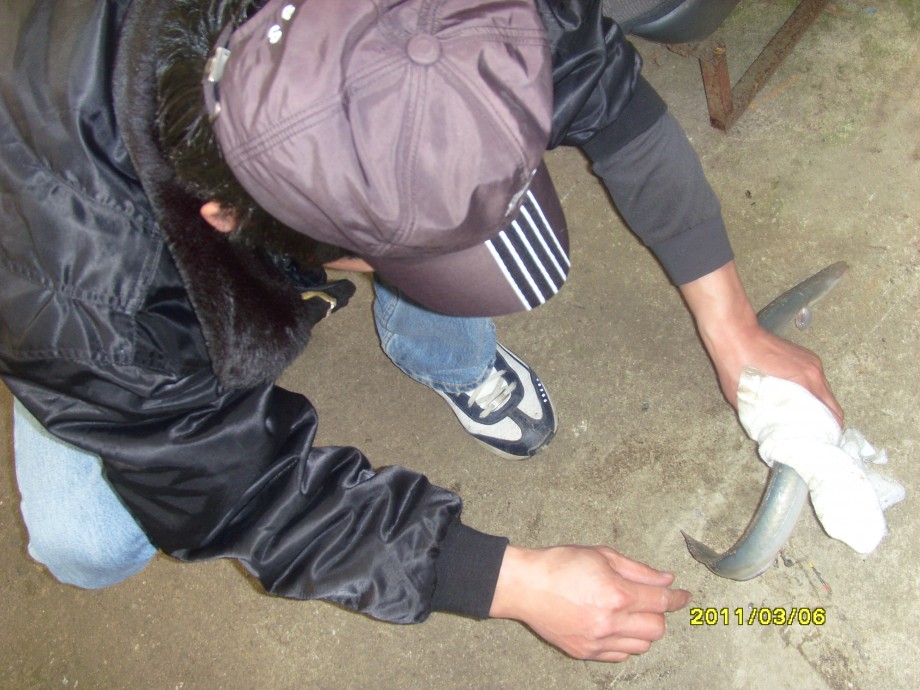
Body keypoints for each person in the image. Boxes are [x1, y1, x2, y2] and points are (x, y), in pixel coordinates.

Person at [0, 0, 840, 664]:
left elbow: (604, 89)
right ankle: (112, 389)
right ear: (228, 221)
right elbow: (234, 492)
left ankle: (428, 342)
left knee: (427, 233)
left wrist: (732, 324)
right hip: (93, 266)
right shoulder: (80, 290)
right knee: (88, 542)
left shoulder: (464, 20)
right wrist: (509, 582)